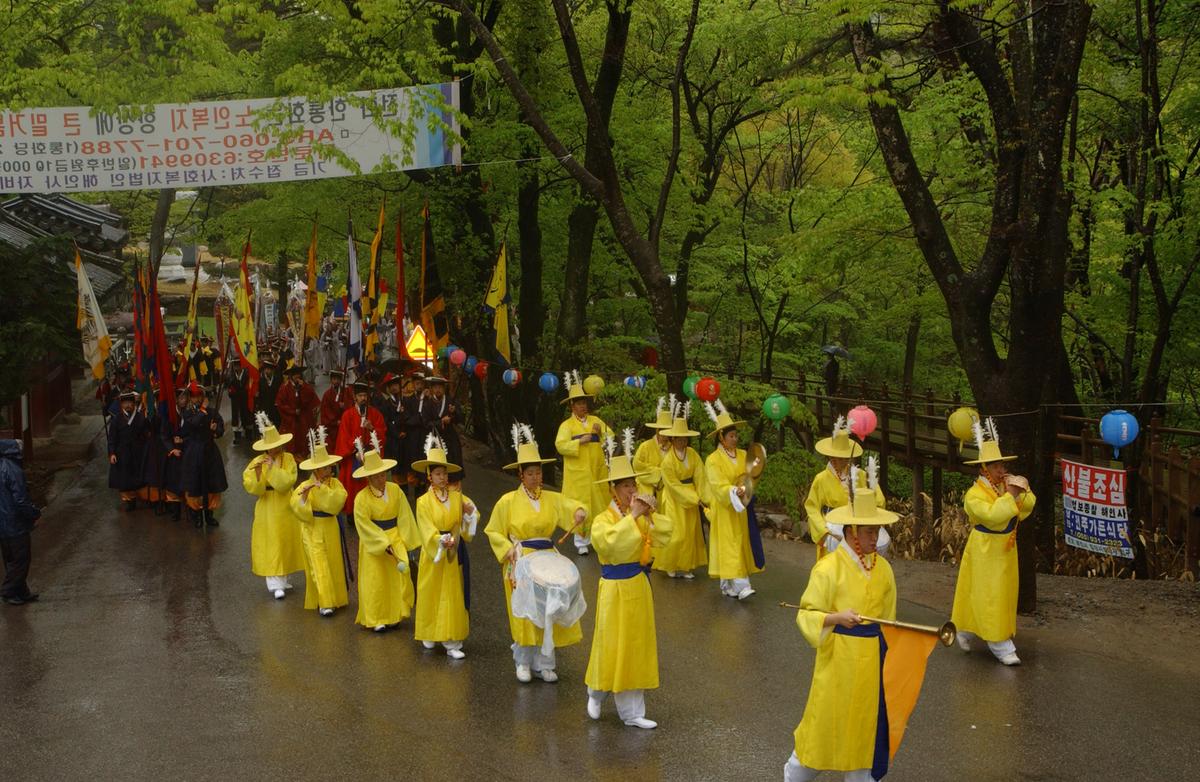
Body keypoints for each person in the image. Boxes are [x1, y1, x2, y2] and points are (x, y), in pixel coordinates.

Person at [784, 487, 900, 782]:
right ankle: (795, 774)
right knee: (825, 723)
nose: (875, 537)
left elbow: (889, 620)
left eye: (877, 531)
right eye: (868, 531)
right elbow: (806, 613)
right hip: (838, 657)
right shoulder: (828, 568)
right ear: (851, 531)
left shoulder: (884, 570)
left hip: (872, 661)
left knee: (864, 725)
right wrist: (835, 618)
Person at [485, 425, 590, 683]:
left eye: (538, 472)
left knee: (547, 610)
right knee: (525, 613)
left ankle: (545, 663)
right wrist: (507, 549)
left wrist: (579, 512)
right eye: (530, 473)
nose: (535, 477)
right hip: (521, 559)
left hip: (547, 558)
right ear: (521, 474)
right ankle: (523, 661)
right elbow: (493, 530)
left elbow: (571, 506)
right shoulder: (507, 501)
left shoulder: (551, 499)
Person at [584, 435, 673, 729]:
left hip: (638, 584)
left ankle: (632, 712)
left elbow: (664, 537)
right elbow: (610, 545)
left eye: (633, 484)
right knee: (610, 644)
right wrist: (633, 516)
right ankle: (596, 691)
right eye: (625, 486)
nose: (632, 490)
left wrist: (652, 515)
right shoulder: (602, 519)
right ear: (613, 489)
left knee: (636, 646)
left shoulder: (639, 515)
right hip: (614, 587)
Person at [951, 419, 1036, 666]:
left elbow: (1026, 507)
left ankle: (965, 628)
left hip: (1005, 548)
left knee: (1000, 593)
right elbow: (993, 516)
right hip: (985, 547)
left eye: (1002, 465)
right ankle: (1000, 643)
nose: (1001, 470)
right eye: (996, 466)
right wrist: (1011, 495)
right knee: (989, 593)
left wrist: (1022, 488)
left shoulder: (1003, 487)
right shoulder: (974, 494)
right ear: (983, 469)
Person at [412, 434, 479, 659]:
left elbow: (472, 514)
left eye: (444, 473)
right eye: (438, 474)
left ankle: (452, 641)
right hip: (435, 550)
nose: (442, 478)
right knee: (431, 592)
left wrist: (469, 515)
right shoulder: (423, 502)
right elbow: (425, 527)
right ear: (429, 476)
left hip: (453, 549)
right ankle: (429, 632)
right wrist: (438, 540)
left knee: (451, 593)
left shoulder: (457, 496)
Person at [352, 440, 420, 631]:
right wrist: (382, 543)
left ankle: (395, 614)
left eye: (383, 474)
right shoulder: (362, 498)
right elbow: (363, 524)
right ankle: (376, 618)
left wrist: (408, 542)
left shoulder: (395, 490)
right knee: (376, 580)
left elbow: (404, 516)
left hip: (395, 536)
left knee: (396, 578)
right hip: (373, 541)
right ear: (369, 478)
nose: (382, 479)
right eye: (377, 476)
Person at [804, 417, 888, 559]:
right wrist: (824, 532)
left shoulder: (860, 475)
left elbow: (878, 500)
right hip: (832, 527)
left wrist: (872, 521)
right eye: (834, 457)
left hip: (857, 525)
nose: (838, 460)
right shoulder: (821, 479)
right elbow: (812, 508)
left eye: (843, 457)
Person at [703, 399, 763, 599]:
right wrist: (732, 491)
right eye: (731, 435)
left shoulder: (744, 454)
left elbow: (751, 476)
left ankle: (727, 584)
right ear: (721, 437)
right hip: (725, 507)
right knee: (730, 543)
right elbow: (716, 483)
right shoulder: (713, 460)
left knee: (739, 542)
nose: (735, 439)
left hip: (742, 506)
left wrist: (753, 476)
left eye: (736, 435)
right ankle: (742, 585)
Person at [243, 413, 304, 599]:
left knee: (286, 540)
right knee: (271, 542)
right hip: (267, 505)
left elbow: (288, 482)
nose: (274, 449)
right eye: (270, 446)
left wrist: (272, 469)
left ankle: (283, 578)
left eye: (276, 445)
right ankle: (275, 583)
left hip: (285, 503)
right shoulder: (257, 461)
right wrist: (259, 474)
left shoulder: (289, 458)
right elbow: (252, 487)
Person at [290, 429, 350, 616]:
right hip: (312, 527)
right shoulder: (304, 486)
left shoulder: (335, 484)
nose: (329, 471)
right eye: (325, 468)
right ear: (316, 470)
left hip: (330, 525)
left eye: (329, 467)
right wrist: (304, 497)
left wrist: (322, 489)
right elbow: (295, 506)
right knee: (319, 564)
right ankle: (325, 602)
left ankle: (336, 598)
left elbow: (337, 503)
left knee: (333, 563)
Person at [554, 372, 612, 554]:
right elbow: (560, 445)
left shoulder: (596, 421)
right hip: (578, 474)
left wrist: (600, 433)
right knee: (580, 506)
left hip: (596, 470)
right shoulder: (567, 425)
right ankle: (581, 542)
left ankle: (599, 539)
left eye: (584, 403)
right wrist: (579, 442)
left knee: (599, 505)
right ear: (572, 406)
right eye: (579, 403)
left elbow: (611, 438)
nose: (583, 406)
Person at [652, 406, 708, 579]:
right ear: (673, 439)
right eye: (680, 438)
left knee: (690, 533)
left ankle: (686, 566)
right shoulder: (668, 460)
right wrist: (694, 497)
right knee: (676, 533)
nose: (683, 442)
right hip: (675, 498)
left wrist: (704, 496)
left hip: (691, 497)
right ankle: (670, 564)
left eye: (685, 438)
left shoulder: (692, 454)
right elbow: (673, 485)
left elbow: (700, 475)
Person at [335, 381, 388, 515]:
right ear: (355, 397)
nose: (363, 398)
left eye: (365, 395)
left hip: (370, 457)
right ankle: (352, 513)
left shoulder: (375, 414)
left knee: (370, 485)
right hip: (353, 456)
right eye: (360, 396)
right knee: (353, 486)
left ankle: (372, 511)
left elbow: (382, 433)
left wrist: (372, 428)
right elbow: (343, 437)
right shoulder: (347, 415)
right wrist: (355, 446)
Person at [179, 383, 227, 528]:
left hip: (210, 451)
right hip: (194, 452)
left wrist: (215, 429)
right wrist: (203, 410)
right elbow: (192, 424)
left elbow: (220, 428)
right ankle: (197, 515)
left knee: (211, 484)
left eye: (199, 396)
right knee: (195, 485)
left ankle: (209, 515)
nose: (197, 399)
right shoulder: (187, 413)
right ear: (190, 398)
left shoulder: (212, 411)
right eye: (194, 397)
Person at [1, 439, 41, 606]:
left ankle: (21, 590)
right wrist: (34, 513)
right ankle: (9, 590)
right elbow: (21, 500)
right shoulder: (13, 470)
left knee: (10, 559)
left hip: (3, 524)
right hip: (14, 523)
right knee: (21, 559)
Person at [107, 390, 148, 511]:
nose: (128, 405)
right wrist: (112, 453)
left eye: (130, 403)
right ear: (121, 404)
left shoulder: (141, 417)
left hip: (138, 451)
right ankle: (129, 500)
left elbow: (146, 435)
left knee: (138, 475)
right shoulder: (117, 419)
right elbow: (112, 438)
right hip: (122, 452)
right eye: (125, 403)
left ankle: (141, 497)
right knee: (124, 478)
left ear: (134, 403)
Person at [421, 374, 464, 484]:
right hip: (435, 440)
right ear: (431, 389)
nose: (438, 390)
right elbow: (425, 423)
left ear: (444, 388)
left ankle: (453, 488)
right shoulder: (427, 404)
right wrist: (441, 422)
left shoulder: (451, 401)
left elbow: (460, 419)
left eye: (440, 387)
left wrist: (454, 413)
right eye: (435, 387)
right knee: (436, 467)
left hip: (450, 439)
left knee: (453, 468)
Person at [632, 396, 673, 503]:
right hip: (645, 489)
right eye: (662, 430)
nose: (664, 434)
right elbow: (637, 466)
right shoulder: (645, 446)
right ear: (657, 430)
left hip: (667, 491)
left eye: (667, 431)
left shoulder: (673, 449)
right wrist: (658, 473)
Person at [275, 364, 320, 456]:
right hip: (291, 420)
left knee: (304, 441)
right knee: (291, 443)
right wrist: (293, 411)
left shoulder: (304, 385)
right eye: (295, 374)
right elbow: (280, 404)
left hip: (303, 419)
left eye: (298, 374)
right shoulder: (284, 387)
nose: (297, 376)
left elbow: (311, 398)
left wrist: (304, 387)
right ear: (291, 375)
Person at [158, 389, 188, 522]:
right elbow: (164, 436)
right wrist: (172, 449)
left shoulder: (190, 413)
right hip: (174, 453)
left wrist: (184, 441)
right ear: (175, 400)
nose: (183, 401)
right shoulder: (169, 415)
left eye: (185, 398)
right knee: (174, 481)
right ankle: (175, 510)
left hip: (187, 451)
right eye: (181, 398)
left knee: (188, 480)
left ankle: (191, 509)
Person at [400, 370, 429, 497]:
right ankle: (416, 485)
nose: (419, 386)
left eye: (421, 384)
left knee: (424, 461)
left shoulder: (428, 399)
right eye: (417, 383)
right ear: (413, 384)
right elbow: (407, 419)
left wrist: (422, 419)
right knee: (413, 463)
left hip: (425, 436)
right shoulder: (408, 400)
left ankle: (423, 486)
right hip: (412, 437)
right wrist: (419, 418)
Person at [319, 369, 354, 447]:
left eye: (338, 379)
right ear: (331, 380)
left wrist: (345, 406)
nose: (336, 381)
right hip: (333, 425)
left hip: (345, 423)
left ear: (341, 380)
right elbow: (326, 410)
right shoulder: (327, 394)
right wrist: (335, 421)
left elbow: (352, 405)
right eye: (334, 379)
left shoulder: (347, 391)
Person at [226, 356, 254, 444]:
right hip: (235, 400)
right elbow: (228, 389)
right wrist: (231, 391)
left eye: (239, 365)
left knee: (247, 415)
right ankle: (237, 435)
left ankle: (249, 433)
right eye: (235, 365)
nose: (237, 367)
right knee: (236, 416)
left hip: (245, 399)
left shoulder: (247, 374)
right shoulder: (230, 376)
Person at [256, 360, 281, 426]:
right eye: (266, 369)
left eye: (269, 369)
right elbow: (259, 396)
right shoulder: (261, 381)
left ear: (273, 370)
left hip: (275, 409)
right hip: (265, 408)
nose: (267, 371)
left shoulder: (278, 379)